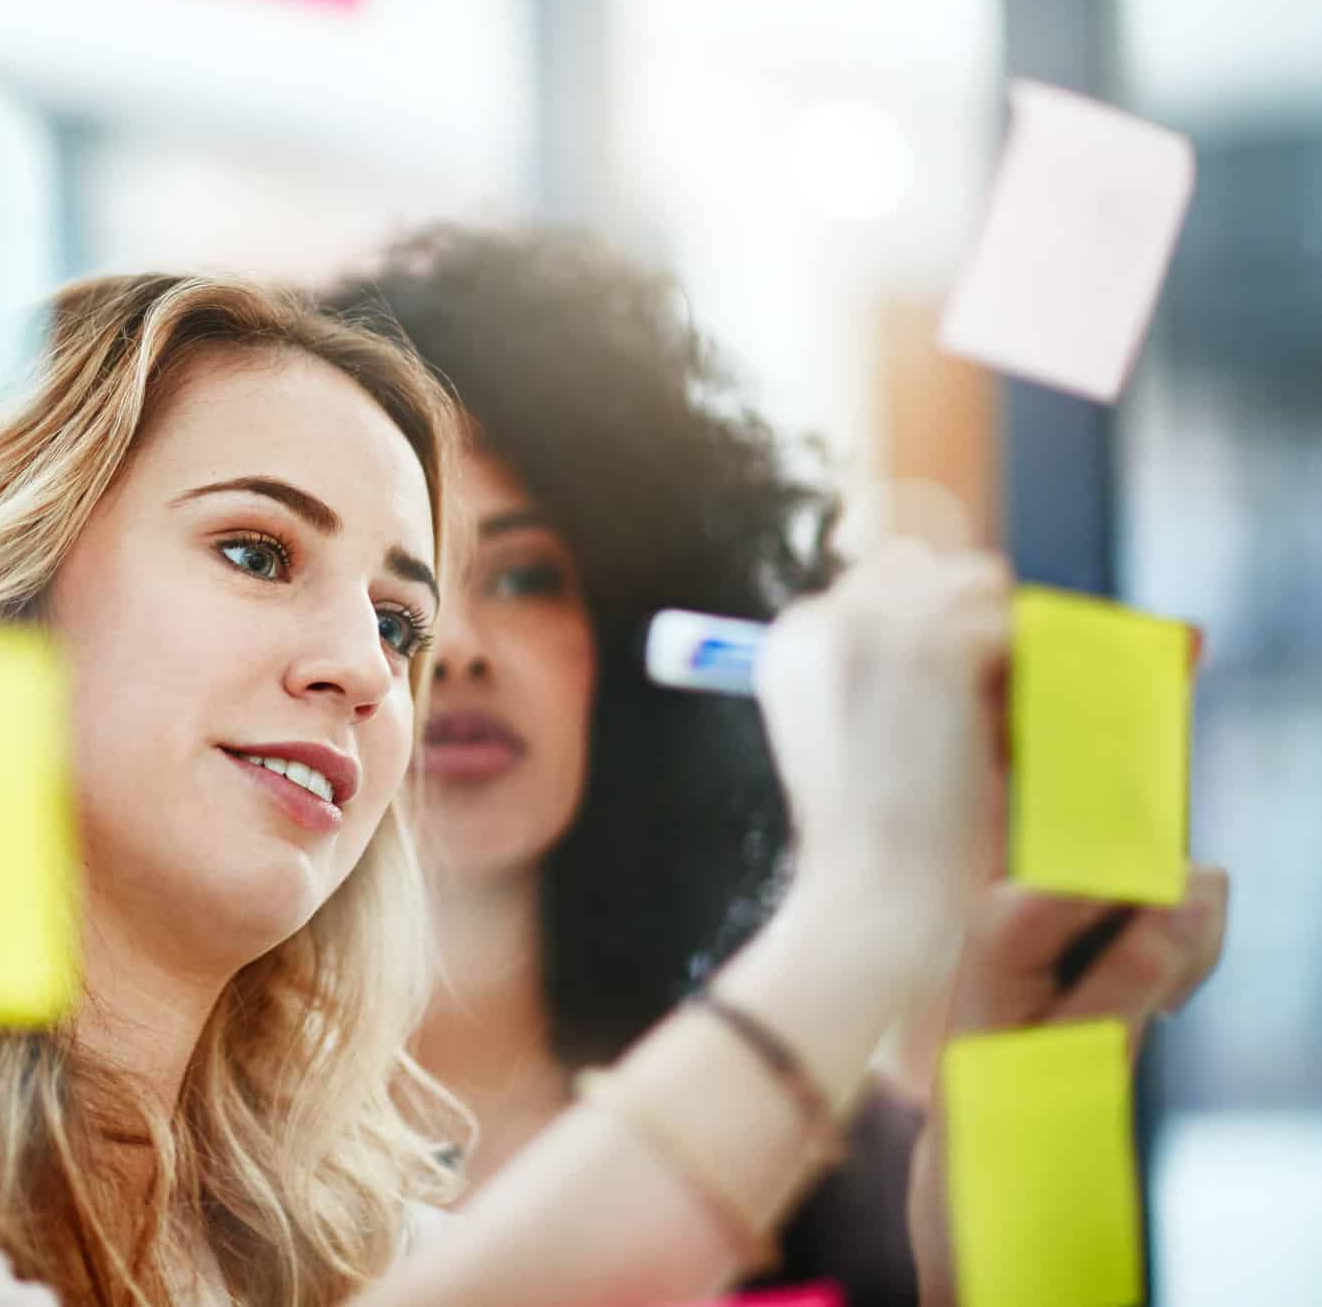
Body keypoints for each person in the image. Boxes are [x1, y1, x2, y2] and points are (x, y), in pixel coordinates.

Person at [0, 270, 1029, 1305]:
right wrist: (855, 913)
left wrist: (1023, 1049)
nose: (369, 669)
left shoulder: (357, 1255)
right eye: (255, 550)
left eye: (396, 621)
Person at [321, 225, 1230, 1302]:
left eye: (526, 578)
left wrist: (1032, 1087)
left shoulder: (843, 1160)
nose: (461, 645)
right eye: (396, 596)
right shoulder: (177, 1149)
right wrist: (871, 896)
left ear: (623, 633)